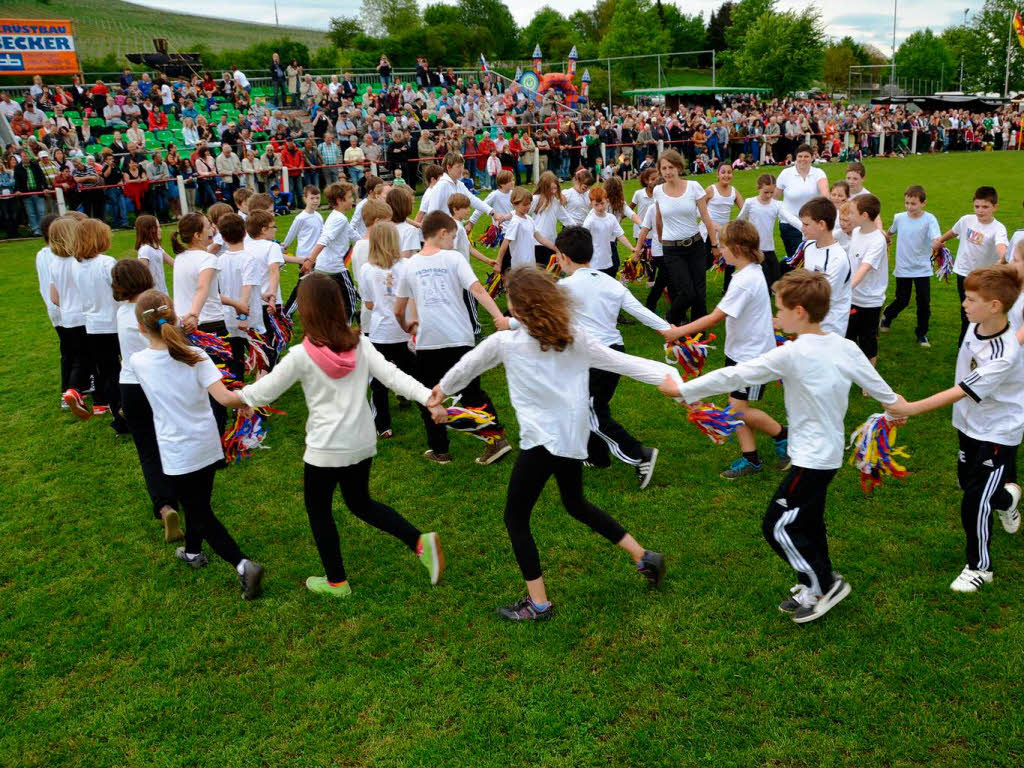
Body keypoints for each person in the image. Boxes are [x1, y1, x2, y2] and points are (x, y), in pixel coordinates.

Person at [429, 266, 679, 621]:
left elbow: (468, 366)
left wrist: (439, 393)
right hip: (572, 438)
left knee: (515, 518)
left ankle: (539, 604)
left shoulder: (508, 342)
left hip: (542, 443)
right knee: (575, 503)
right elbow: (623, 362)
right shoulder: (574, 336)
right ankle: (643, 556)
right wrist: (670, 378)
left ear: (516, 309)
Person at [665, 270, 898, 624]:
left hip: (811, 459)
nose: (776, 317)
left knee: (777, 525)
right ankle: (812, 583)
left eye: (780, 310)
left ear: (800, 311)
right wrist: (895, 405)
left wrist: (684, 390)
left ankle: (824, 584)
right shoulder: (845, 345)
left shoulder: (792, 353)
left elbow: (736, 375)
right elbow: (881, 389)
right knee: (808, 522)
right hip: (827, 453)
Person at [233, 272, 445, 595]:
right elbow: (393, 375)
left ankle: (337, 582)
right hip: (360, 443)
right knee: (360, 503)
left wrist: (236, 397)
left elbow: (264, 390)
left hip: (326, 448)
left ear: (306, 311)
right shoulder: (360, 344)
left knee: (319, 511)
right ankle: (419, 542)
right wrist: (426, 396)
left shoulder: (301, 355)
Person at [887, 265, 1024, 592]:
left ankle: (980, 567)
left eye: (970, 299)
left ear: (994, 307)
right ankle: (1008, 500)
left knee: (974, 500)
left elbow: (962, 389)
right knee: (969, 484)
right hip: (969, 425)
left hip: (997, 432)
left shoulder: (1004, 353)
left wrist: (910, 408)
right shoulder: (978, 326)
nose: (963, 303)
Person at [130, 290, 265, 600]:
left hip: (178, 451)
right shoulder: (198, 355)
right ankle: (192, 552)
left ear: (140, 327)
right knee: (198, 502)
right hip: (206, 443)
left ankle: (243, 565)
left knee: (199, 511)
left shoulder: (138, 361)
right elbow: (226, 398)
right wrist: (244, 401)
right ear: (177, 318)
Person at [664, 219, 789, 479]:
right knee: (736, 406)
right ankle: (751, 458)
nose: (719, 250)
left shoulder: (746, 279)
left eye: (723, 246)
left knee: (737, 410)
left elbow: (715, 317)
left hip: (753, 358)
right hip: (739, 352)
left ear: (738, 248)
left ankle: (783, 435)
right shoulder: (747, 272)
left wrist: (678, 331)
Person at [393, 211, 512, 466]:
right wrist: (498, 318)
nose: (454, 242)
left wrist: (406, 326)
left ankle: (440, 450)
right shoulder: (454, 258)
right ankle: (495, 440)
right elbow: (478, 289)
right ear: (442, 233)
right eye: (454, 237)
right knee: (471, 392)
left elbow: (398, 309)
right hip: (461, 338)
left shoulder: (410, 265)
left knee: (429, 396)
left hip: (430, 341)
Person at [556, 226, 668, 487]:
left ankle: (640, 455)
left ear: (563, 257)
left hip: (597, 358)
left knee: (590, 411)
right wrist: (669, 330)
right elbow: (640, 311)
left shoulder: (563, 287)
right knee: (587, 404)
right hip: (613, 352)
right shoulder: (609, 281)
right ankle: (596, 456)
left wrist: (511, 324)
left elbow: (539, 318)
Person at [112, 259, 183, 542]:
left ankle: (165, 507)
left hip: (130, 386)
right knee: (170, 440)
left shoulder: (121, 313)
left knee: (148, 451)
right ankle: (183, 491)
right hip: (157, 383)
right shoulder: (152, 312)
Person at [932, 186, 1009, 345]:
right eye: (977, 206)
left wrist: (1003, 257)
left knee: (984, 311)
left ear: (995, 207)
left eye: (985, 207)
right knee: (967, 311)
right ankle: (965, 345)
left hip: (984, 277)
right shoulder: (966, 220)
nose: (980, 210)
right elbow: (953, 232)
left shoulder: (998, 228)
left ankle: (983, 341)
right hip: (964, 273)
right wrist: (940, 241)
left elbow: (1001, 246)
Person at [360, 222, 415, 438]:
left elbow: (369, 304)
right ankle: (429, 410)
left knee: (378, 383)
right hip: (403, 329)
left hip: (380, 332)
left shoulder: (366, 270)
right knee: (414, 373)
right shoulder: (407, 265)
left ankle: (383, 426)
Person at [653, 150, 717, 324]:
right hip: (672, 250)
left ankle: (699, 332)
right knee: (687, 292)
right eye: (663, 168)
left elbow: (705, 217)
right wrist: (660, 237)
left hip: (695, 246)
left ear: (679, 167)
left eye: (671, 167)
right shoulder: (658, 190)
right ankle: (672, 317)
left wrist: (714, 244)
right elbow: (658, 217)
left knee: (699, 293)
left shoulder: (694, 186)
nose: (667, 171)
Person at [74, 218, 126, 431]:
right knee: (123, 370)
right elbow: (120, 291)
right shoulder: (107, 263)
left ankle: (118, 414)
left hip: (93, 326)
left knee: (107, 372)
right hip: (113, 323)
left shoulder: (77, 266)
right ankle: (126, 410)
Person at [879, 185, 941, 348]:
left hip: (922, 268)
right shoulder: (899, 217)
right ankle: (887, 315)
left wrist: (937, 243)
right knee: (902, 300)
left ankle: (921, 334)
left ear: (923, 203)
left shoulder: (930, 219)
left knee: (923, 302)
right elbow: (891, 231)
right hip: (903, 267)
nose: (909, 207)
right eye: (907, 203)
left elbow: (936, 237)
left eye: (913, 204)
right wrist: (886, 237)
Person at [50, 217, 94, 416]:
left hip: (67, 318)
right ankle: (75, 390)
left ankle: (72, 392)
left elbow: (54, 296)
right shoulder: (78, 263)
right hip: (85, 316)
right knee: (90, 357)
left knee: (78, 356)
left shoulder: (54, 264)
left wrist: (67, 307)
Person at [301, 182, 360, 323]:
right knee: (350, 302)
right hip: (335, 269)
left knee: (331, 304)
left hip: (324, 267)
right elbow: (325, 239)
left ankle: (330, 330)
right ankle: (345, 331)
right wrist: (310, 260)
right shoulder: (339, 219)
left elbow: (355, 237)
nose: (353, 200)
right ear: (340, 200)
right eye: (350, 197)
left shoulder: (337, 217)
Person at [798, 197, 852, 337]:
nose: (802, 228)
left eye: (806, 224)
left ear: (821, 224)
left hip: (829, 328)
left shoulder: (837, 259)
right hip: (808, 321)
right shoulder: (809, 245)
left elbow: (822, 298)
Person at [845, 194, 888, 366]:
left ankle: (869, 381)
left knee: (868, 340)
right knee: (848, 336)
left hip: (870, 301)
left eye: (852, 213)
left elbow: (864, 267)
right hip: (852, 298)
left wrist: (845, 289)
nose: (849, 216)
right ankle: (850, 369)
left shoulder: (878, 241)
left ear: (864, 216)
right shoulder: (855, 232)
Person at [774, 144, 829, 266]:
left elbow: (825, 192)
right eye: (800, 156)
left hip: (811, 225)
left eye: (806, 156)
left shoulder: (818, 173)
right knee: (797, 261)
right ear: (795, 157)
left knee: (811, 260)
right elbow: (774, 198)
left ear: (812, 157)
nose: (803, 159)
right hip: (789, 225)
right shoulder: (786, 173)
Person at [496, 187, 554, 273]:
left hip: (530, 266)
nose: (528, 207)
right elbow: (505, 243)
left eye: (529, 204)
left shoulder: (529, 219)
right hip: (519, 268)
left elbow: (541, 239)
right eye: (524, 205)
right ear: (514, 204)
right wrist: (499, 262)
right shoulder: (515, 222)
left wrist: (556, 248)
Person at [583, 186, 633, 277]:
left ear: (607, 201)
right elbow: (582, 240)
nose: (600, 207)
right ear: (591, 204)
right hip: (594, 263)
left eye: (602, 203)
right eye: (596, 205)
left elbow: (620, 235)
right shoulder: (590, 221)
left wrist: (631, 248)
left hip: (608, 261)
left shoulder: (611, 218)